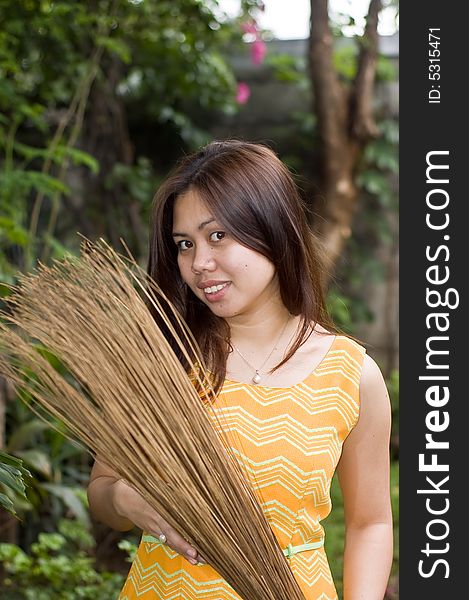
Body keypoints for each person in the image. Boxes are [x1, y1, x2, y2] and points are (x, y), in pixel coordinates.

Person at [87, 140, 393, 599]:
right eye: (184, 245)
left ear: (271, 228)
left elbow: (371, 522)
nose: (199, 264)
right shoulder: (163, 360)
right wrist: (131, 500)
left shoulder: (351, 374)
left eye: (217, 236)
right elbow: (102, 491)